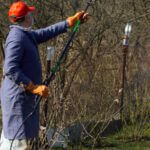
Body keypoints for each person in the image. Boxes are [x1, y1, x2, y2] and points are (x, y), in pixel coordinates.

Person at [0, 1, 88, 150]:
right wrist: (32, 87)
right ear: (25, 17)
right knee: (17, 141)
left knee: (26, 139)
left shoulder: (24, 34)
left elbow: (45, 32)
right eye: (30, 13)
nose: (32, 15)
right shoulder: (17, 38)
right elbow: (10, 69)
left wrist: (69, 22)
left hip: (24, 99)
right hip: (18, 101)